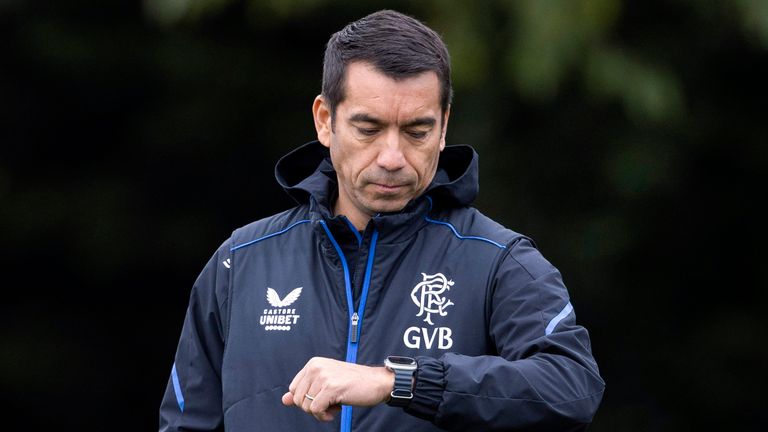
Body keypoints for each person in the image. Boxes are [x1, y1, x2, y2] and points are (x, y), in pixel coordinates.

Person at [159, 9, 605, 432]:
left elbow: (571, 386)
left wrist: (399, 382)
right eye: (368, 129)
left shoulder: (498, 261)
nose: (392, 158)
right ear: (325, 121)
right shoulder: (239, 263)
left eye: (417, 131)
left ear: (444, 126)